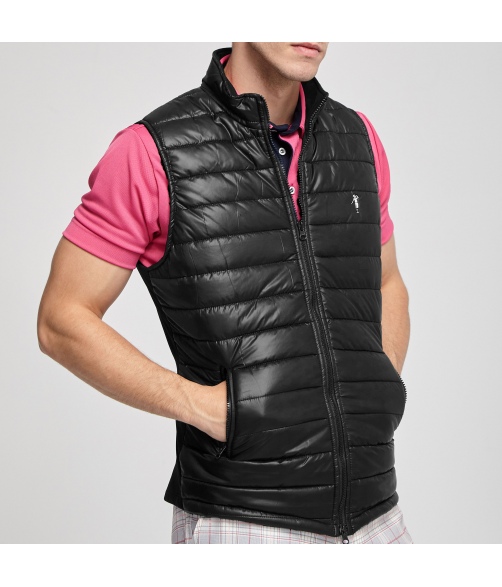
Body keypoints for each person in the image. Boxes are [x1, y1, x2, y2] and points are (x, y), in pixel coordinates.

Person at [37, 43, 412, 544]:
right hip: (245, 522)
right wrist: (202, 407)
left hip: (378, 518)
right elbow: (62, 318)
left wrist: (380, 384)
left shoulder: (358, 137)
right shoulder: (153, 150)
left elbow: (387, 280)